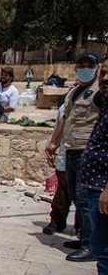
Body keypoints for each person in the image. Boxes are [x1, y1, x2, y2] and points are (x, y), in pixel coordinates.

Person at [46, 52, 103, 262]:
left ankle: (90, 245)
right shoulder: (74, 92)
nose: (85, 68)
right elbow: (65, 118)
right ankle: (83, 237)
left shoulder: (99, 92)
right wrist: (54, 141)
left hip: (87, 151)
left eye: (90, 64)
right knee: (77, 196)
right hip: (71, 149)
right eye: (82, 64)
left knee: (86, 199)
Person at [66, 55, 108, 275]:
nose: (105, 78)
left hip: (103, 184)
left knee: (105, 248)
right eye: (104, 73)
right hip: (94, 177)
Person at [42, 103, 72, 235]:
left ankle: (84, 231)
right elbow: (61, 123)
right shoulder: (70, 100)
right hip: (68, 152)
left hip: (88, 154)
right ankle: (57, 220)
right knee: (62, 190)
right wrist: (54, 143)